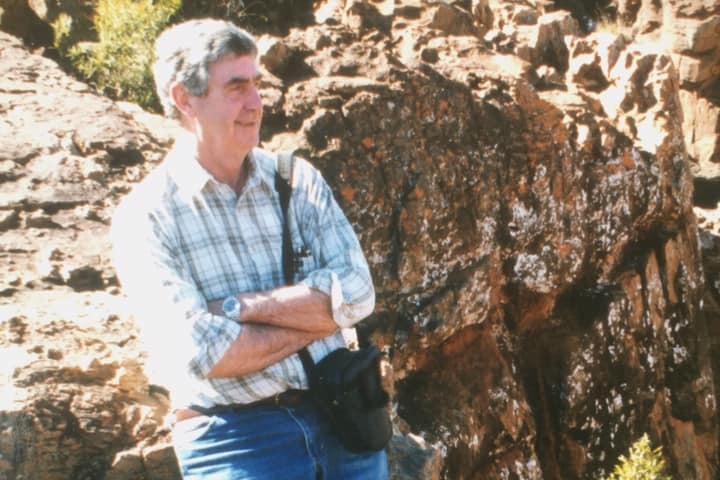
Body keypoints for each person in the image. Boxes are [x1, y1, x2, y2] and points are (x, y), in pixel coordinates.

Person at [111, 18, 388, 479]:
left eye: (257, 84)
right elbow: (203, 354)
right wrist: (321, 317)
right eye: (236, 87)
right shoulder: (146, 217)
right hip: (234, 438)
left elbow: (358, 292)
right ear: (185, 99)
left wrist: (238, 309)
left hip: (341, 415)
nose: (256, 103)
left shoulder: (295, 180)